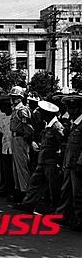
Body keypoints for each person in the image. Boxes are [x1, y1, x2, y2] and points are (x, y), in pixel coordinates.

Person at [14, 100, 65, 214]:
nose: (40, 115)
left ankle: (55, 210)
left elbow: (62, 144)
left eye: (42, 113)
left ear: (47, 114)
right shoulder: (48, 125)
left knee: (54, 188)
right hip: (43, 160)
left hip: (52, 162)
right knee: (35, 182)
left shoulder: (57, 127)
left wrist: (58, 159)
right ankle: (28, 204)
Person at [56, 94, 82, 231]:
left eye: (75, 108)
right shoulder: (73, 124)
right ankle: (61, 215)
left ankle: (80, 220)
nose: (72, 111)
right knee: (65, 190)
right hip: (68, 163)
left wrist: (80, 163)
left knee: (78, 193)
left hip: (77, 164)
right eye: (70, 108)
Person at [8, 86, 34, 203]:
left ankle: (25, 193)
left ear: (21, 98)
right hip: (15, 138)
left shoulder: (22, 110)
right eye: (12, 97)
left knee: (22, 167)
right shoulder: (16, 109)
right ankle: (18, 190)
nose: (12, 99)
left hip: (21, 139)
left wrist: (27, 139)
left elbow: (29, 128)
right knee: (16, 167)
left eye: (15, 97)